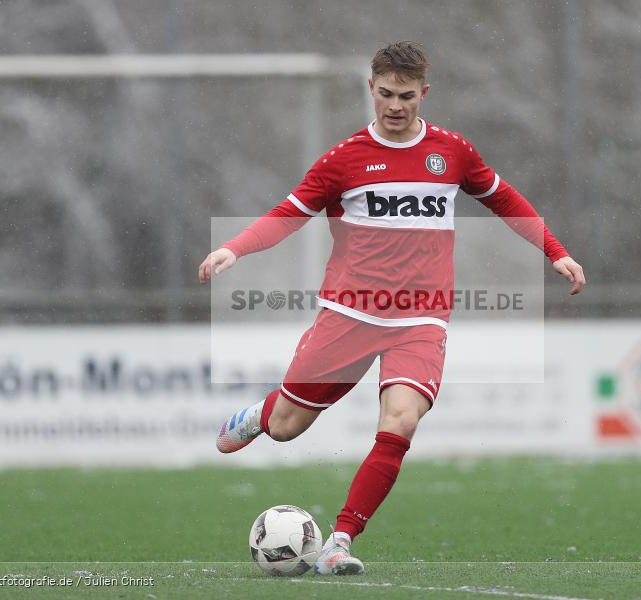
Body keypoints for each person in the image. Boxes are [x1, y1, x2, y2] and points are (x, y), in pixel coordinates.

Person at [198, 41, 585, 575]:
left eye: (407, 96)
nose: (395, 105)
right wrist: (234, 248)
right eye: (386, 94)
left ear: (424, 93)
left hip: (420, 319)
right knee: (287, 426)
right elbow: (288, 213)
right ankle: (260, 415)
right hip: (350, 313)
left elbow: (504, 198)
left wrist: (555, 251)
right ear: (371, 89)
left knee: (401, 421)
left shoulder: (451, 152)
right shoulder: (345, 159)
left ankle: (339, 542)